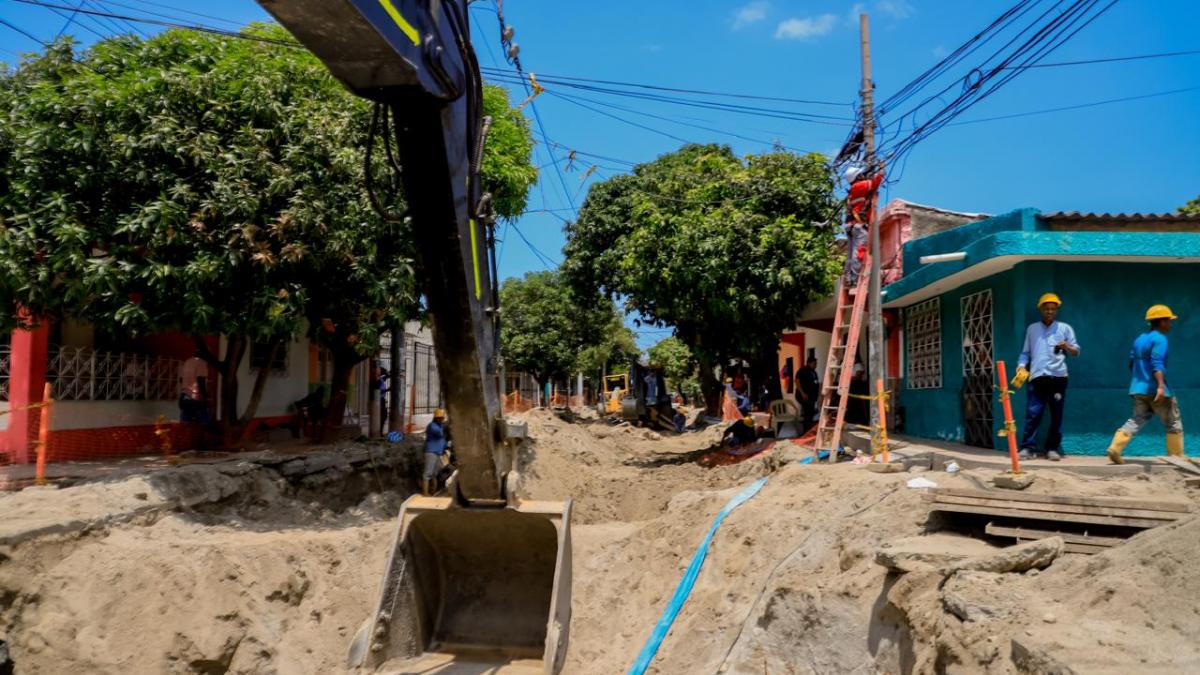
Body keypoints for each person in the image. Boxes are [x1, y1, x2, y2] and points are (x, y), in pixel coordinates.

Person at [1106, 305, 1184, 464]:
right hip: (1155, 389)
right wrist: (1160, 386)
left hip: (1138, 388)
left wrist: (1139, 379)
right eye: (1168, 320)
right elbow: (1157, 364)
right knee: (1173, 422)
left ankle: (1115, 447)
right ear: (1161, 322)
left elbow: (1131, 363)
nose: (1171, 324)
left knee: (1137, 419)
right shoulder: (1160, 339)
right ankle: (1177, 458)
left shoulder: (1139, 339)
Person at [1011, 293, 1079, 461]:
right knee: (1033, 413)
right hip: (1037, 376)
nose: (1049, 311)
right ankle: (1028, 448)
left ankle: (1052, 449)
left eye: (1053, 309)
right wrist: (1021, 366)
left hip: (1058, 377)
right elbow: (1025, 353)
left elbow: (1076, 351)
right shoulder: (1032, 329)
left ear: (1056, 310)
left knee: (1056, 414)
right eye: (1046, 309)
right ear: (1041, 309)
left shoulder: (1064, 328)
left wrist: (1067, 346)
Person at [843, 165, 884, 287]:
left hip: (850, 225)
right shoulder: (860, 185)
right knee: (858, 253)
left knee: (850, 254)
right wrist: (881, 169)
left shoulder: (851, 192)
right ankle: (855, 280)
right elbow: (876, 182)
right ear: (858, 176)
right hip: (859, 226)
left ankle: (849, 278)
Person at [422, 408, 449, 495]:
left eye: (442, 418)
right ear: (436, 418)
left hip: (437, 453)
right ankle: (425, 493)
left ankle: (433, 491)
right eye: (440, 418)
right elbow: (439, 433)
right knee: (427, 474)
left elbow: (443, 441)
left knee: (434, 473)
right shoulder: (432, 426)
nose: (441, 419)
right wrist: (445, 426)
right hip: (431, 452)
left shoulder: (440, 426)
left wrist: (445, 448)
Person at [178, 351, 210, 424]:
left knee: (185, 425)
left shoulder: (187, 362)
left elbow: (181, 379)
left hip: (184, 397)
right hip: (196, 398)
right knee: (205, 423)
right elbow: (200, 379)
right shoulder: (201, 363)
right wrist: (204, 398)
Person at [797, 356, 821, 432]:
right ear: (809, 363)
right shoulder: (803, 370)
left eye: (816, 364)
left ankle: (808, 430)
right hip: (804, 396)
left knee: (810, 414)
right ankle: (806, 431)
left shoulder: (814, 372)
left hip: (812, 397)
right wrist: (803, 393)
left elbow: (816, 383)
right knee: (808, 414)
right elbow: (797, 381)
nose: (816, 365)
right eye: (814, 364)